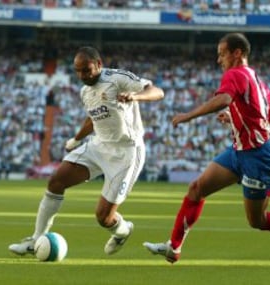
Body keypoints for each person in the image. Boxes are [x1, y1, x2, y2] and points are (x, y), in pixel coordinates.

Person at [143, 33, 270, 263]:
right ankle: (173, 247)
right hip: (238, 152)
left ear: (237, 53)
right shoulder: (257, 79)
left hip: (257, 157)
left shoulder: (235, 74)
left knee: (257, 221)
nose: (219, 60)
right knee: (196, 189)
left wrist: (189, 115)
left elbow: (225, 99)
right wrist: (237, 118)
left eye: (222, 54)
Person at [9, 46, 164, 256]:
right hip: (98, 146)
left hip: (126, 152)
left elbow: (157, 91)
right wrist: (76, 139)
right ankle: (35, 239)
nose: (82, 75)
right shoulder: (85, 91)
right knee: (56, 180)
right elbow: (94, 118)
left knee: (103, 217)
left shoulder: (117, 78)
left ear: (98, 64)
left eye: (86, 70)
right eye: (78, 71)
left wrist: (135, 96)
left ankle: (123, 230)